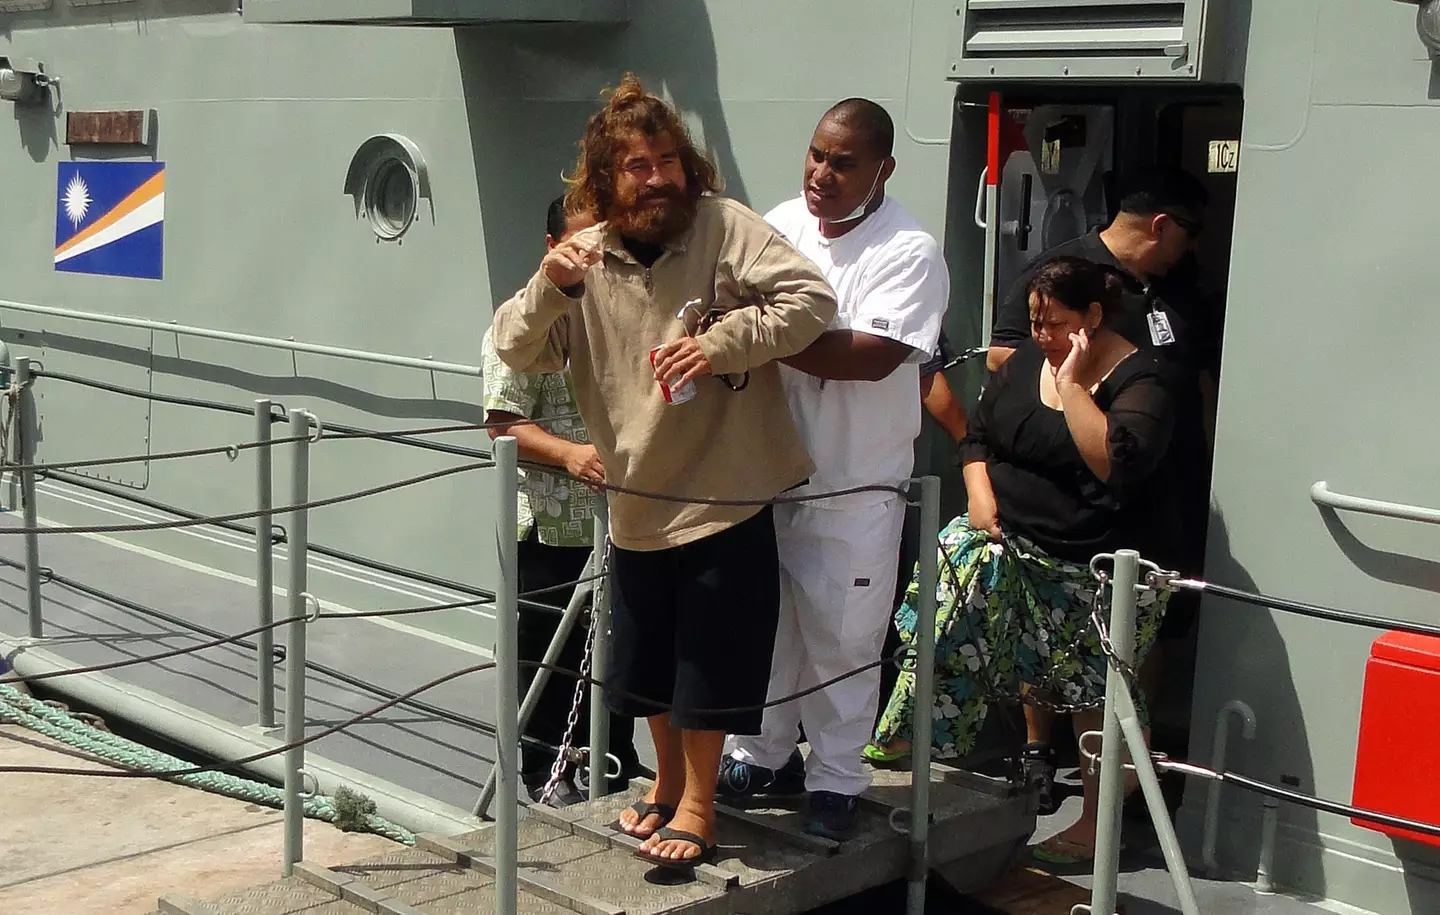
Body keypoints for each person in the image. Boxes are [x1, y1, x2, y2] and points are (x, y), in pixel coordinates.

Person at [490, 73, 837, 869]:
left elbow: (810, 299)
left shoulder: (720, 224)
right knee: (648, 666)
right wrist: (552, 284)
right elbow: (512, 344)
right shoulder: (586, 255)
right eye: (638, 165)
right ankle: (668, 784)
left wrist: (719, 346)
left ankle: (702, 806)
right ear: (606, 179)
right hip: (636, 494)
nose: (657, 178)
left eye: (668, 160)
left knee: (707, 664)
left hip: (723, 490)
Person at [869, 256, 1177, 864]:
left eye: (1054, 322)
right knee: (945, 626)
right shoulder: (1027, 361)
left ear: (1092, 317)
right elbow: (978, 434)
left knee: (1096, 690)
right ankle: (913, 741)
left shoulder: (1146, 381)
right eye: (1034, 322)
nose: (1040, 336)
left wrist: (1070, 385)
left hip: (1090, 570)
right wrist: (980, 495)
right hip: (1011, 547)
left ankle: (1097, 819)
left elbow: (1113, 463)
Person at [718, 98, 948, 841]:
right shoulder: (780, 223)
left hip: (854, 485)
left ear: (883, 168)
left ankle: (837, 778)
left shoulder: (908, 249)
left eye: (843, 162)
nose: (823, 172)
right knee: (771, 625)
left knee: (842, 638)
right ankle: (762, 753)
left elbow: (871, 355)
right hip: (771, 473)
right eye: (817, 154)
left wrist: (755, 339)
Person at [985, 166, 1218, 800]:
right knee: (1050, 631)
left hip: (1156, 491)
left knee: (1147, 627)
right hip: (1073, 495)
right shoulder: (1060, 270)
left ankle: (1131, 772)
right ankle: (1041, 748)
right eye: (1186, 235)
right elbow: (1006, 359)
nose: (1189, 251)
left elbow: (1194, 379)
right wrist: (1077, 395)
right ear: (1163, 226)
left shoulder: (1173, 290)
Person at [480, 196, 644, 807]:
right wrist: (571, 454)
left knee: (618, 647)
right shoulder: (523, 320)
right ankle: (544, 771)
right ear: (553, 247)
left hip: (622, 521)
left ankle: (613, 761)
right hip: (551, 527)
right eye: (581, 243)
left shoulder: (625, 318)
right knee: (545, 656)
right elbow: (501, 423)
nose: (594, 256)